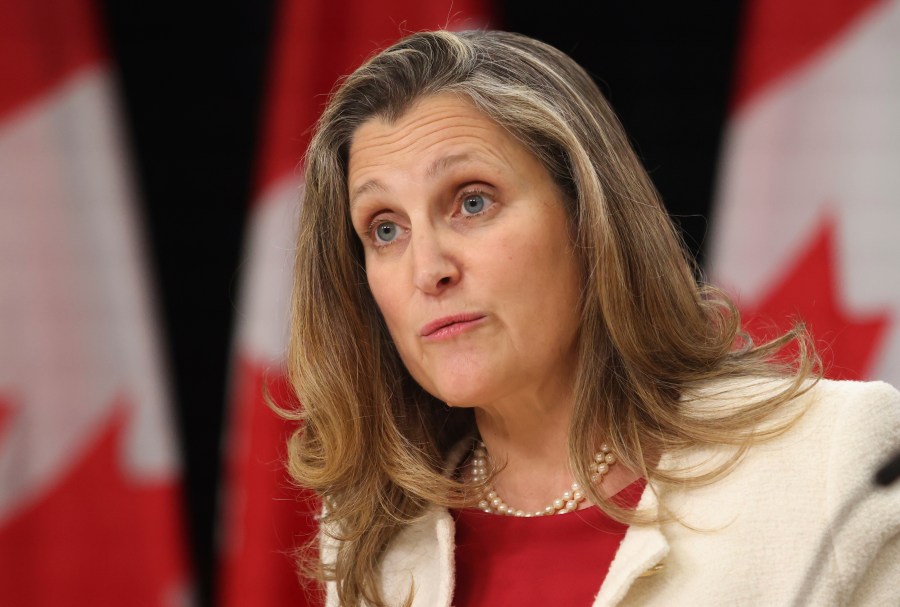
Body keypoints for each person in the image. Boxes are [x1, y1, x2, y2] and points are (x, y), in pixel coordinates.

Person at [280, 30, 900, 606]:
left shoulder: (828, 463)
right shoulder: (372, 537)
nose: (428, 269)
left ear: (589, 218)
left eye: (472, 202)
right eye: (385, 229)